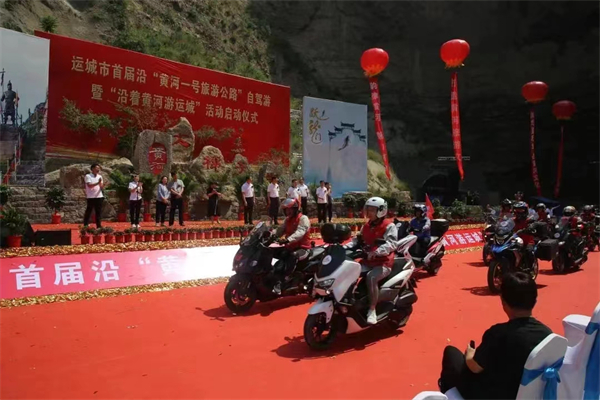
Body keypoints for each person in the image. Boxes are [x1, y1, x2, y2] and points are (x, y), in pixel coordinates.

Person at [439, 272, 552, 399]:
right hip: (530, 394)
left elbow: (475, 367)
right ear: (535, 300)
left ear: (503, 302)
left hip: (493, 394)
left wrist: (469, 355)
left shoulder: (498, 334)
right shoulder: (548, 335)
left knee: (451, 353)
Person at [345, 197, 398, 324]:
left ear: (381, 211)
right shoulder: (366, 226)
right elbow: (356, 241)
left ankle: (372, 310)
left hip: (383, 262)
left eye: (372, 210)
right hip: (367, 261)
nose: (369, 212)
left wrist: (376, 252)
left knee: (371, 277)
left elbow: (391, 244)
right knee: (349, 271)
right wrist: (343, 247)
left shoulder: (389, 226)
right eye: (368, 209)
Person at [272, 198, 311, 295]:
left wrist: (288, 239)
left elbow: (300, 232)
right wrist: (269, 235)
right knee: (271, 251)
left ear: (296, 209)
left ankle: (286, 279)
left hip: (303, 248)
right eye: (286, 210)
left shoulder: (303, 218)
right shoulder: (287, 220)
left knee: (292, 256)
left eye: (290, 209)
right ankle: (273, 276)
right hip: (290, 247)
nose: (288, 212)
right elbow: (280, 230)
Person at [83, 163, 105, 228]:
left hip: (99, 196)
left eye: (99, 168)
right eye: (97, 168)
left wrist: (103, 185)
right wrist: (97, 183)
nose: (98, 169)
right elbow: (89, 185)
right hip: (91, 196)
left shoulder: (100, 176)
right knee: (89, 211)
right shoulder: (88, 176)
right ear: (92, 169)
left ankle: (98, 225)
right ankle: (86, 224)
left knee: (98, 212)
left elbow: (101, 186)